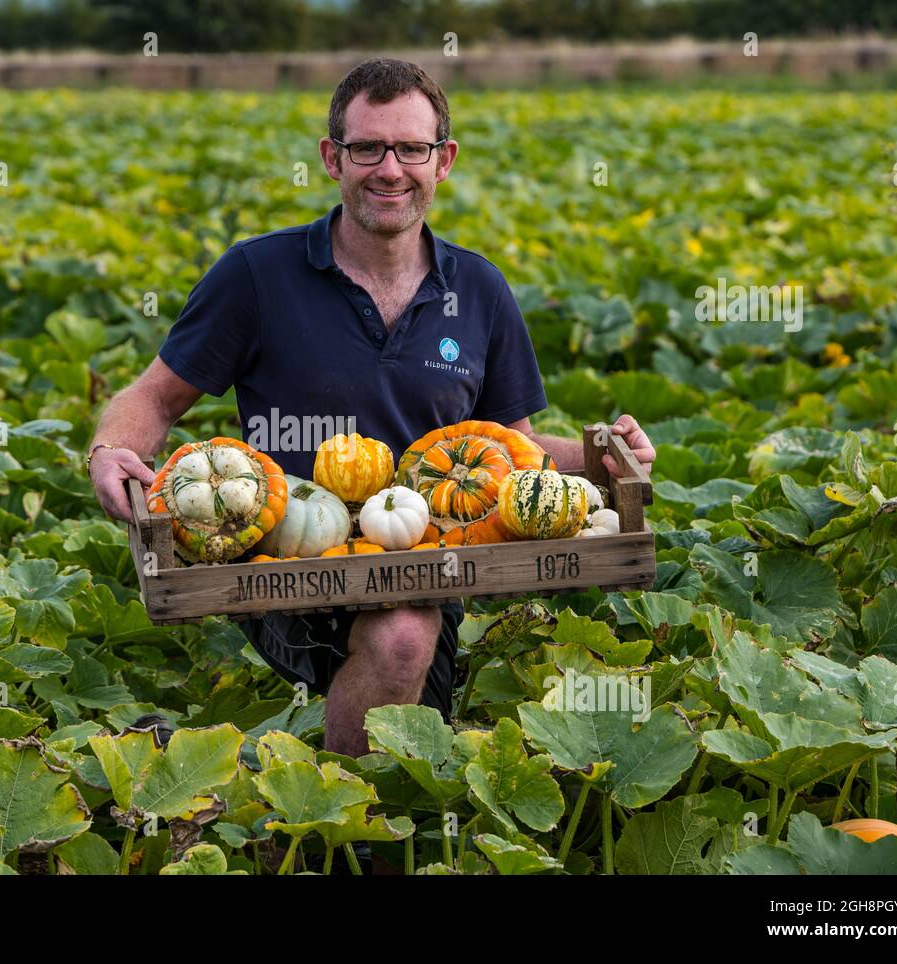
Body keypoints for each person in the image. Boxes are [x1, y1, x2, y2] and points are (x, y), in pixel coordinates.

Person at [88, 57, 656, 760]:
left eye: (411, 148)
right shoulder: (256, 276)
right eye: (367, 148)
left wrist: (605, 458)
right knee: (401, 643)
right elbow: (153, 396)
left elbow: (513, 453)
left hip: (426, 553)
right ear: (333, 158)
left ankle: (286, 783)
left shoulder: (478, 289)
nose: (390, 169)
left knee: (404, 655)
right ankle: (346, 834)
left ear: (443, 161)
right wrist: (110, 448)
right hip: (283, 548)